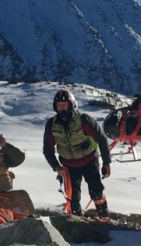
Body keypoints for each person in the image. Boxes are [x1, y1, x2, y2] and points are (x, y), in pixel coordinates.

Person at [43, 89, 111, 219]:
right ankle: (77, 222)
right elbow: (48, 149)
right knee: (73, 199)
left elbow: (102, 140)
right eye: (59, 104)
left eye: (65, 104)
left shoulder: (84, 120)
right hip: (68, 166)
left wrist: (106, 163)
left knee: (96, 193)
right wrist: (56, 167)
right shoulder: (51, 125)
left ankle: (104, 218)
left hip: (89, 161)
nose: (62, 107)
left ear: (72, 104)